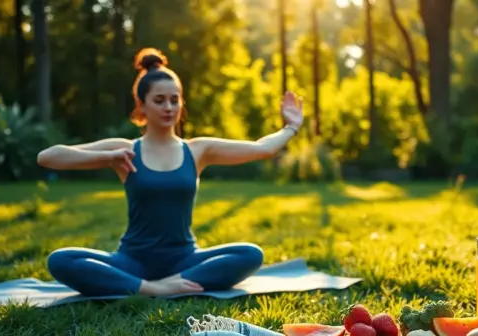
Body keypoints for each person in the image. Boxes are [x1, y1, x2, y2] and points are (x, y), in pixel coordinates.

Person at [36, 47, 304, 298]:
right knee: (61, 260)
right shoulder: (125, 150)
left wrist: (290, 127)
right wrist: (108, 157)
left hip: (184, 260)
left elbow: (262, 148)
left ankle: (168, 283)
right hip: (132, 261)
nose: (168, 107)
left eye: (174, 100)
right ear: (141, 105)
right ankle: (154, 288)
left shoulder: (198, 150)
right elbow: (48, 157)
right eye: (159, 100)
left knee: (250, 254)